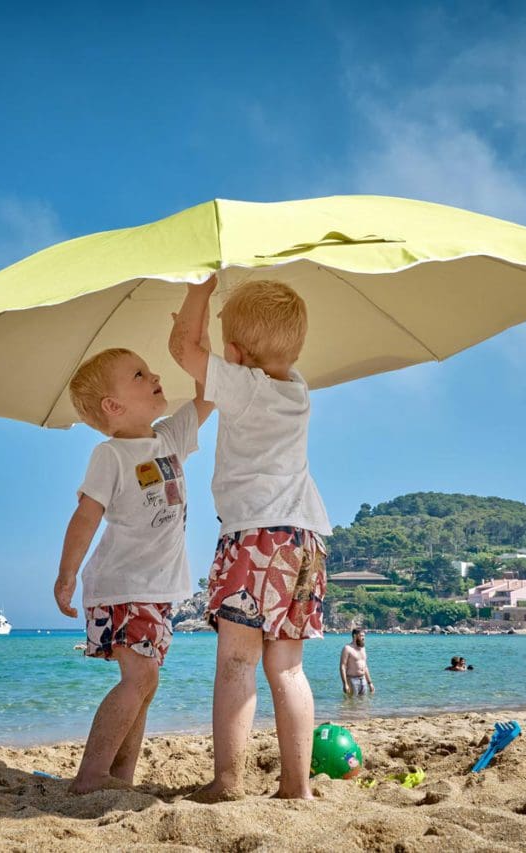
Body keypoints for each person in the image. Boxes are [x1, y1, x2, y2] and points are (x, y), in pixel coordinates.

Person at [169, 277, 331, 801]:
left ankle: (228, 781)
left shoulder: (244, 385)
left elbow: (182, 349)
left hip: (256, 536)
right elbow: (206, 358)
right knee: (288, 667)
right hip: (305, 538)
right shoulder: (297, 388)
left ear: (236, 355)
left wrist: (199, 291)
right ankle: (296, 787)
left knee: (237, 661)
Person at [53, 346, 212, 795]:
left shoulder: (170, 437)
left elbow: (209, 394)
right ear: (114, 406)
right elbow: (85, 516)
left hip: (158, 589)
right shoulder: (111, 455)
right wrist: (67, 575)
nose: (155, 375)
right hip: (122, 584)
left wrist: (198, 344)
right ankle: (90, 775)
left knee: (146, 683)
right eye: (139, 374)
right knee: (138, 678)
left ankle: (119, 778)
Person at [340, 628, 375, 696]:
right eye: (361, 635)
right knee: (351, 703)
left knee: (363, 703)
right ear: (355, 636)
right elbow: (342, 667)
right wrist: (345, 684)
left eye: (364, 636)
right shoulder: (347, 648)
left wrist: (370, 683)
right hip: (352, 680)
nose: (363, 638)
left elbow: (365, 667)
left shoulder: (363, 648)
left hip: (363, 680)